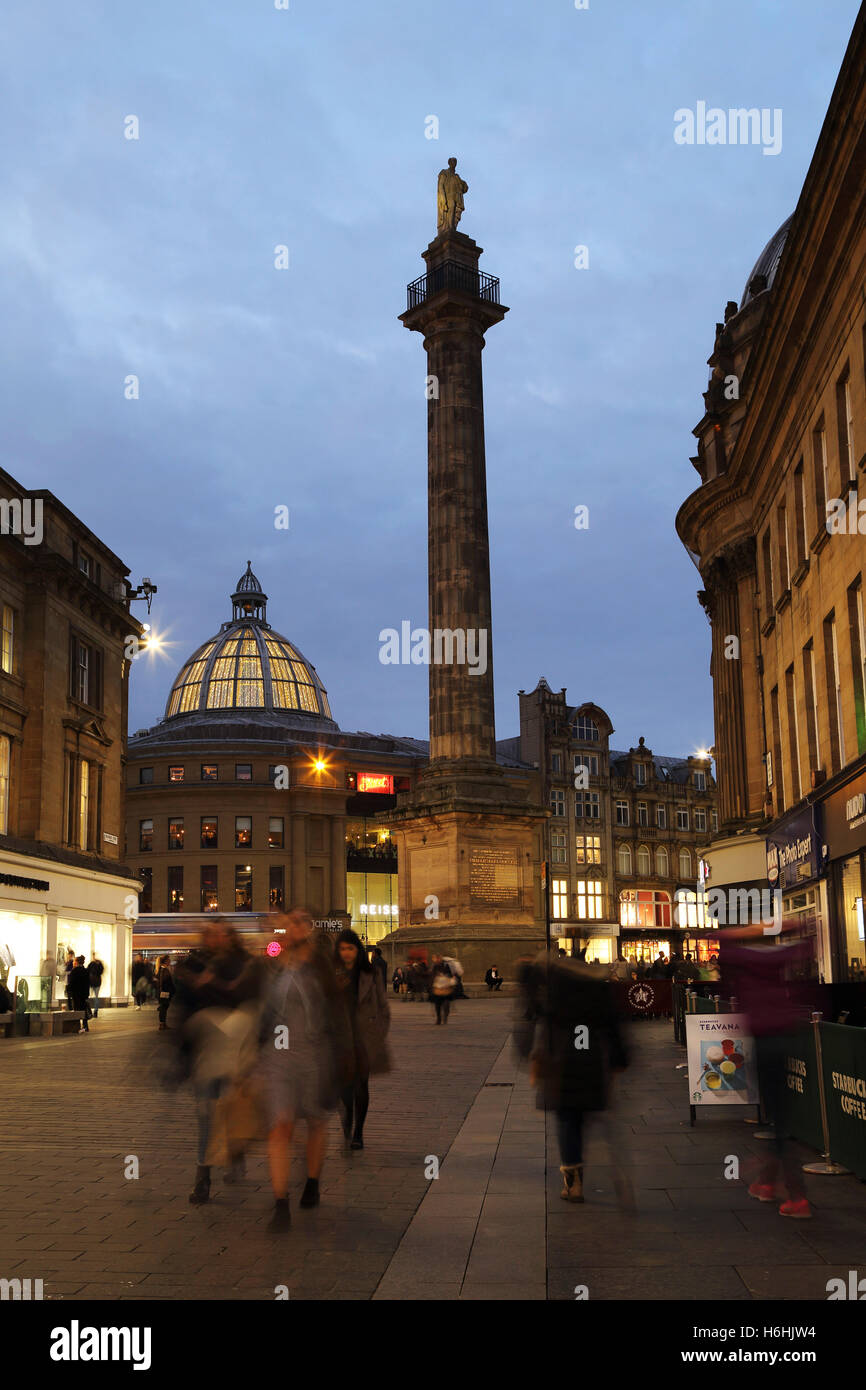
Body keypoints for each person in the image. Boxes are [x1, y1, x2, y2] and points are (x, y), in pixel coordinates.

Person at [259, 909, 350, 1233]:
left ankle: (312, 1179)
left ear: (309, 929)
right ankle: (280, 1203)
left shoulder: (321, 963)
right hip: (278, 1055)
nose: (291, 925)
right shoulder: (275, 960)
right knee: (281, 1125)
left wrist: (343, 1054)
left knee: (315, 1119)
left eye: (299, 921)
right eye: (289, 921)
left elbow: (336, 1007)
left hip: (314, 1053)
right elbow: (262, 1007)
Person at [518, 951, 630, 1207]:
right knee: (585, 1116)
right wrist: (619, 1060)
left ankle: (573, 1183)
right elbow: (614, 1025)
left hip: (561, 1060)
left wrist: (531, 1054)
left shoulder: (555, 991)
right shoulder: (599, 989)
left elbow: (532, 1015)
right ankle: (594, 1167)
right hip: (591, 1061)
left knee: (567, 1120)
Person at [174, 920, 264, 1205]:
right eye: (210, 934)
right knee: (205, 1115)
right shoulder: (196, 963)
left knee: (231, 1108)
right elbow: (184, 1008)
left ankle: (234, 1153)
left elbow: (249, 1001)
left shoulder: (242, 965)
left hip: (235, 1050)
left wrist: (211, 983)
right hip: (206, 1053)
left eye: (220, 933)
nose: (214, 938)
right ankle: (203, 1177)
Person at [335, 929, 392, 1152]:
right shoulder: (333, 974)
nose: (346, 953)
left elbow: (383, 1006)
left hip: (363, 1038)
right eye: (342, 949)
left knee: (360, 1085)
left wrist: (377, 1036)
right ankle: (347, 1123)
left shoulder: (371, 972)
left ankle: (358, 1132)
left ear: (357, 950)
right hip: (340, 1038)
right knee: (344, 1089)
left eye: (350, 948)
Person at [68, 955, 92, 1033]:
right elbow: (88, 983)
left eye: (74, 961)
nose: (73, 962)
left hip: (76, 994)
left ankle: (77, 1026)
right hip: (83, 994)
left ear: (77, 962)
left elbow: (71, 983)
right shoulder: (85, 971)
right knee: (83, 1009)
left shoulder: (74, 971)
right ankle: (85, 1025)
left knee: (77, 1010)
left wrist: (69, 991)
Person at [430, 954, 455, 1025]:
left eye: (437, 959)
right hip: (438, 988)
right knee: (437, 1004)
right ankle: (439, 1018)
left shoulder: (446, 965)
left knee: (446, 1004)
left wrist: (444, 975)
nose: (436, 960)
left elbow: (450, 975)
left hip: (446, 987)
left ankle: (445, 1016)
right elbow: (432, 975)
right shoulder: (434, 966)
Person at [156, 954, 175, 1030]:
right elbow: (166, 982)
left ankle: (163, 1023)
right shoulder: (164, 970)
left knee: (163, 1007)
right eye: (169, 959)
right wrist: (172, 990)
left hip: (162, 992)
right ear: (166, 961)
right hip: (164, 992)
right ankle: (162, 1024)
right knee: (164, 1007)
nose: (170, 961)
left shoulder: (160, 970)